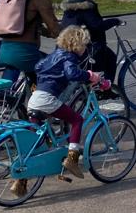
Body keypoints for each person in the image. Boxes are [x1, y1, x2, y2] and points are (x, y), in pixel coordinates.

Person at [17, 25, 109, 193]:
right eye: (84, 44)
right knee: (77, 119)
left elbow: (38, 67)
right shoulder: (69, 57)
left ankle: (20, 182)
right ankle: (72, 158)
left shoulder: (55, 55)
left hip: (35, 99)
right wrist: (89, 75)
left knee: (35, 143)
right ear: (77, 44)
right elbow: (72, 74)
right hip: (47, 100)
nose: (86, 48)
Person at [0, 0, 61, 83]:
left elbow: (26, 24)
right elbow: (55, 28)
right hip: (25, 54)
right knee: (58, 69)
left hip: (4, 50)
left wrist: (47, 33)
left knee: (31, 82)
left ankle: (13, 100)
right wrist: (73, 36)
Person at [61, 0, 123, 84]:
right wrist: (115, 21)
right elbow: (97, 26)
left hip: (67, 45)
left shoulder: (69, 6)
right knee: (111, 59)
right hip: (86, 47)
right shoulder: (86, 6)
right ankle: (106, 90)